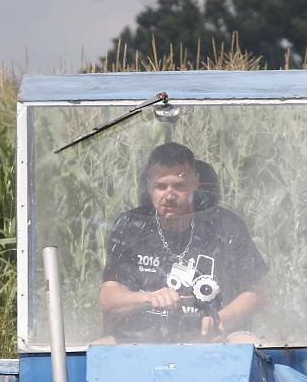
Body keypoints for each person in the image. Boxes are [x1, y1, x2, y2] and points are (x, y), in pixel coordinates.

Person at [98, 142, 268, 343]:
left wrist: (219, 321)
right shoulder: (131, 226)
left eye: (179, 186)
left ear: (195, 182)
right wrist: (148, 298)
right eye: (161, 186)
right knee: (97, 348)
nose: (169, 196)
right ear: (149, 185)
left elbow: (257, 292)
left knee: (250, 344)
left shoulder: (226, 226)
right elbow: (108, 297)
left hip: (214, 338)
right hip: (143, 337)